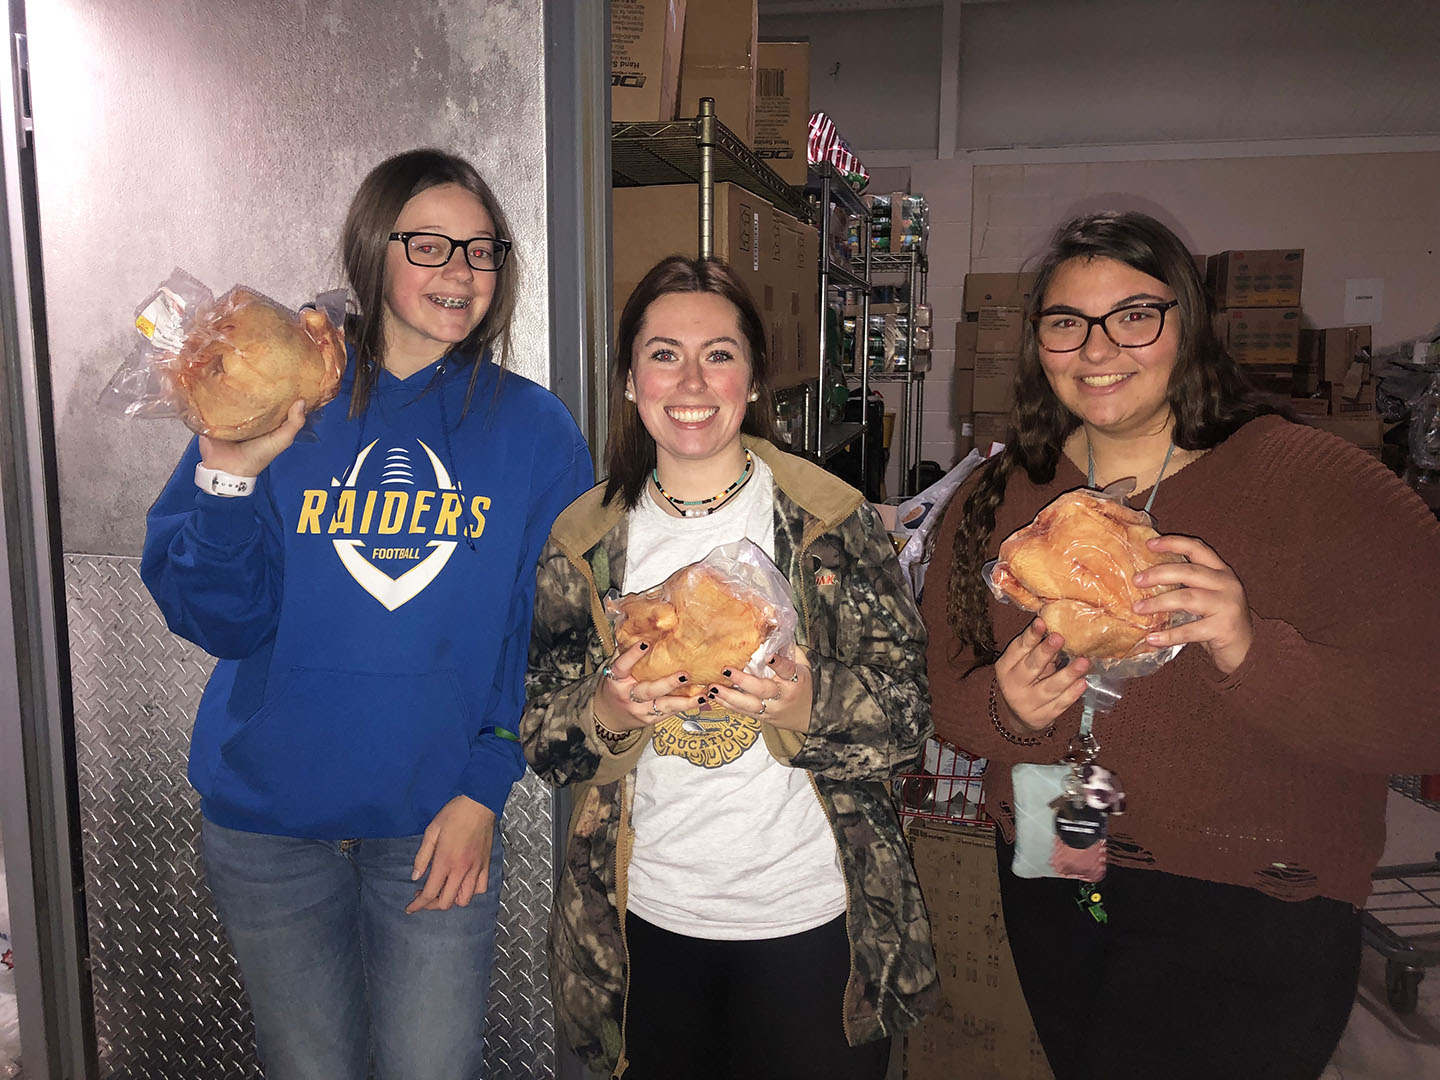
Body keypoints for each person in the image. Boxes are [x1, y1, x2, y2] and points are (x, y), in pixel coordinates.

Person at [921, 209, 1440, 1079]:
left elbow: (1424, 713)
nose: (1097, 350)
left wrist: (1249, 648)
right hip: (1055, 869)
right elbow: (943, 693)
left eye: (1133, 315)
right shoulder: (1004, 498)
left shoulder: (1319, 487)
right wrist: (1004, 714)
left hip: (1253, 897)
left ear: (1187, 326)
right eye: (1065, 324)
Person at [141, 149, 592, 1080]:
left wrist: (484, 785)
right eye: (428, 244)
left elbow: (549, 636)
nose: (459, 271)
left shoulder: (535, 431)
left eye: (481, 249)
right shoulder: (285, 399)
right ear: (372, 250)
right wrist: (231, 470)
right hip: (269, 827)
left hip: (435, 825)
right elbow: (217, 621)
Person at [520, 256, 939, 1080]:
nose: (692, 381)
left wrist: (805, 707)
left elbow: (910, 719)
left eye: (720, 354)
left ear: (752, 382)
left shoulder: (830, 522)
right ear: (631, 379)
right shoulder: (585, 541)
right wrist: (608, 711)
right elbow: (543, 739)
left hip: (815, 925)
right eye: (663, 353)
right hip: (646, 929)